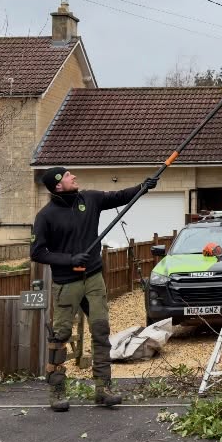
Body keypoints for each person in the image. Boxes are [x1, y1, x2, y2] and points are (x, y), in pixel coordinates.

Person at [30, 166, 158, 412]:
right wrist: (69, 259)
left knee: (101, 331)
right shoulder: (46, 216)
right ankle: (57, 391)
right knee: (60, 337)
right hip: (66, 282)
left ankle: (103, 389)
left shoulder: (90, 199)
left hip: (94, 278)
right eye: (68, 176)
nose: (74, 177)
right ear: (57, 185)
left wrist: (143, 187)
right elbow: (37, 252)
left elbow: (119, 197)